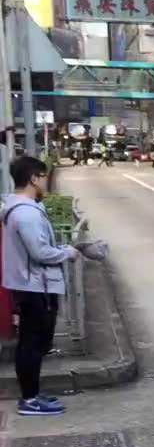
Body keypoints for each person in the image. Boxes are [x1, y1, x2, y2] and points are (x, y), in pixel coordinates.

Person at [2, 157, 79, 415]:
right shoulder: (26, 214)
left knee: (32, 342)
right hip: (34, 285)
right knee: (32, 344)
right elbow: (41, 253)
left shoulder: (21, 209)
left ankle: (32, 394)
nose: (45, 181)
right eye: (43, 176)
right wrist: (67, 251)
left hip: (30, 284)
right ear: (34, 178)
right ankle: (30, 399)